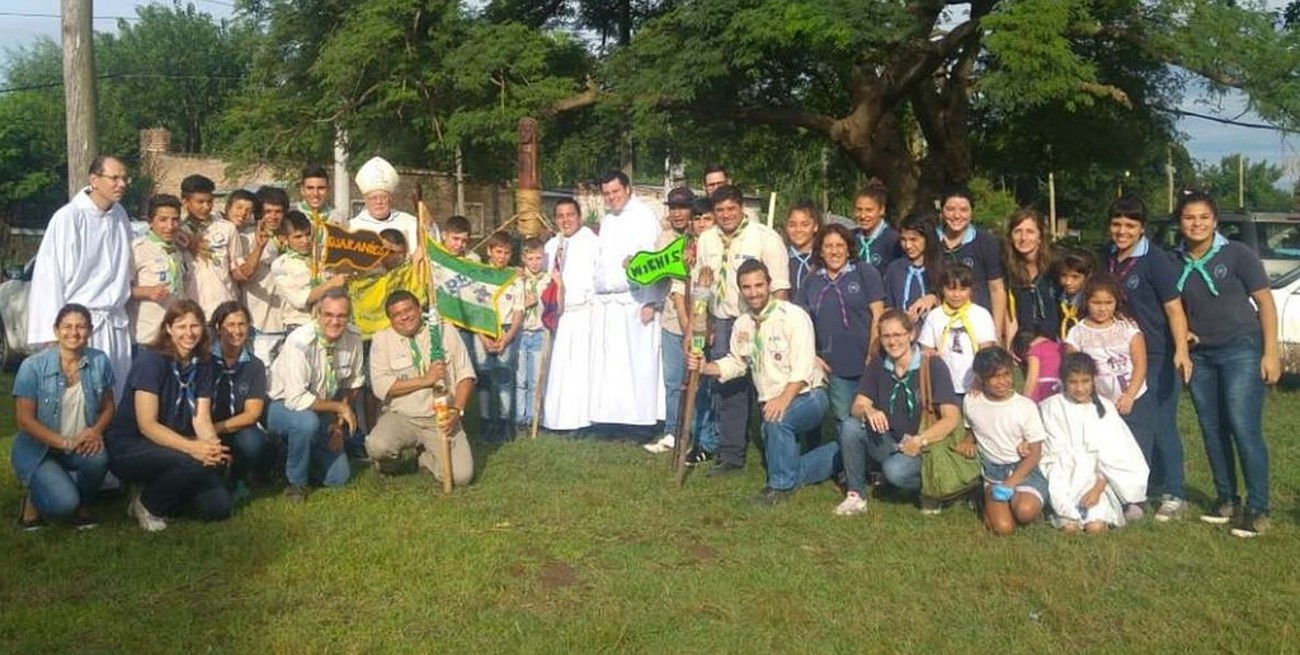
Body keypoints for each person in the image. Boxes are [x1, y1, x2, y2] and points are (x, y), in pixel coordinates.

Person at [686, 260, 837, 505]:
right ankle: (836, 455)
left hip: (808, 396)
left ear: (768, 285)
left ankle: (780, 487)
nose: (754, 292)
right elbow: (737, 363)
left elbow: (803, 370)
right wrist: (706, 367)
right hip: (772, 400)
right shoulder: (743, 324)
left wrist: (782, 401)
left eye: (759, 285)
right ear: (740, 289)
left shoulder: (793, 317)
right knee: (776, 438)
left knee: (777, 421)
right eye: (747, 287)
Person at [1173, 191, 1277, 538]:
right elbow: (1174, 307)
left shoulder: (1237, 254)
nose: (1197, 224)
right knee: (1211, 427)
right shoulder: (1175, 261)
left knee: (1242, 425)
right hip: (1202, 354)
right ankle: (1226, 499)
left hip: (1241, 348)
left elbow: (1264, 302)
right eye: (1189, 217)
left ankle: (1258, 507)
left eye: (1204, 217)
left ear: (1215, 221)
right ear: (1180, 223)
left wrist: (1271, 352)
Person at [1102, 196, 1192, 522]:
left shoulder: (1156, 260)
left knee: (1160, 422)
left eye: (1129, 225)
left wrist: (1181, 350)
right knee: (1130, 422)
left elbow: (1173, 308)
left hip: (1156, 352)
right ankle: (1145, 485)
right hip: (1119, 354)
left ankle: (1175, 492)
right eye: (1116, 224)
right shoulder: (1107, 257)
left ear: (1142, 229)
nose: (1122, 231)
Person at [105, 300, 232, 532]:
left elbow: (201, 418)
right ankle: (146, 505)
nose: (189, 333)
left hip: (175, 444)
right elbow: (147, 425)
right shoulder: (151, 360)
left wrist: (212, 446)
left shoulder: (204, 362)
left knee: (218, 506)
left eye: (195, 326)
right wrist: (193, 448)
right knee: (192, 459)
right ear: (168, 329)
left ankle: (158, 488)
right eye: (181, 326)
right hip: (132, 445)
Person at [693, 184, 791, 475]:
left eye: (731, 209)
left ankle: (777, 448)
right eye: (719, 210)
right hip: (725, 321)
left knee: (770, 383)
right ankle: (732, 454)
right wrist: (705, 323)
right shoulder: (707, 239)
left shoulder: (764, 237)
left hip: (758, 318)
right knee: (729, 387)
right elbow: (704, 284)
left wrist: (776, 324)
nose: (725, 215)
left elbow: (781, 287)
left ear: (741, 207)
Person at [27, 155, 135, 400]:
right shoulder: (69, 217)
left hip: (114, 323)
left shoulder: (120, 215)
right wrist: (53, 335)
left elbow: (129, 265)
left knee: (115, 398)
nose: (122, 184)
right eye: (114, 178)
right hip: (82, 324)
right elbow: (50, 276)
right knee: (80, 398)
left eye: (125, 178)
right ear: (94, 179)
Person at [838, 309, 960, 516]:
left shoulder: (932, 365)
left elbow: (951, 419)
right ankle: (856, 495)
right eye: (886, 336)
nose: (892, 342)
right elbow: (857, 406)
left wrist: (920, 440)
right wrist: (869, 409)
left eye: (898, 335)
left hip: (925, 445)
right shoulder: (878, 364)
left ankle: (931, 490)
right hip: (891, 441)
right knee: (850, 426)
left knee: (896, 472)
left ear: (911, 335)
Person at [12, 304, 115, 530]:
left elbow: (108, 406)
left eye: (81, 326)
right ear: (56, 330)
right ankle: (33, 500)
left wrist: (96, 431)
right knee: (63, 505)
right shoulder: (32, 366)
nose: (74, 332)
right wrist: (65, 443)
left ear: (90, 330)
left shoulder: (99, 361)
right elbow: (24, 420)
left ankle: (85, 507)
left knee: (99, 459)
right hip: (40, 449)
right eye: (67, 326)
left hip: (81, 442)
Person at [266, 288, 364, 502]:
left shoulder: (354, 337)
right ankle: (296, 483)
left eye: (341, 316)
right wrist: (340, 408)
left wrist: (338, 427)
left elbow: (352, 385)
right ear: (317, 315)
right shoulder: (299, 342)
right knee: (306, 423)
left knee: (339, 478)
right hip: (281, 407)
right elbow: (296, 399)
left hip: (321, 407)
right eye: (328, 315)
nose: (335, 322)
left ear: (349, 317)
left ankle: (286, 456)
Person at [367, 291, 474, 486]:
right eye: (397, 314)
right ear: (390, 319)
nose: (405, 316)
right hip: (402, 416)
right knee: (377, 446)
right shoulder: (381, 340)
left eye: (409, 310)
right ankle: (389, 465)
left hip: (439, 418)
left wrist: (457, 410)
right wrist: (426, 380)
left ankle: (425, 459)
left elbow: (466, 375)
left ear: (419, 309)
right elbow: (381, 387)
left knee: (461, 476)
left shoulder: (443, 331)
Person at [1039, 353, 1150, 533]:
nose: (1080, 388)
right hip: (1063, 478)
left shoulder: (1105, 408)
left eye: (1085, 381)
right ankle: (1061, 514)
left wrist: (1098, 489)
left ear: (1093, 380)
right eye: (1073, 382)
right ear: (1063, 381)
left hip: (1097, 480)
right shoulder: (1051, 407)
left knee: (1095, 528)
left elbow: (1114, 453)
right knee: (1069, 528)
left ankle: (1106, 512)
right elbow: (1052, 454)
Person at [588, 170, 664, 428]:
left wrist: (651, 300)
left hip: (635, 300)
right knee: (612, 366)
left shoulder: (644, 217)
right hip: (609, 303)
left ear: (628, 189)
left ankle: (641, 421)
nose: (611, 198)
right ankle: (612, 418)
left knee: (638, 364)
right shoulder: (608, 219)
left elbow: (653, 260)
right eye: (607, 193)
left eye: (615, 192)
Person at [795, 223, 885, 438]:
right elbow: (798, 323)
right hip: (834, 364)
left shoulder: (864, 272)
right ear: (820, 251)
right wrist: (812, 357)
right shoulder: (812, 280)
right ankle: (850, 467)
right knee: (844, 420)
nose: (834, 251)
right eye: (828, 246)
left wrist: (873, 352)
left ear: (848, 248)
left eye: (839, 245)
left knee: (873, 415)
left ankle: (875, 466)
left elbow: (878, 314)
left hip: (866, 358)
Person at [1064, 274, 1152, 492]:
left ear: (1116, 303)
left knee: (1136, 448)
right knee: (1106, 450)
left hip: (1134, 399)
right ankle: (1108, 492)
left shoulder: (1129, 330)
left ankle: (1136, 494)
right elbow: (1074, 369)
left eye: (1108, 303)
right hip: (1098, 403)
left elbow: (1140, 364)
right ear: (1087, 302)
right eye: (1096, 303)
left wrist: (1130, 395)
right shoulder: (1077, 333)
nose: (1102, 309)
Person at [956, 347, 1047, 536]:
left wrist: (1011, 483)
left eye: (1006, 374)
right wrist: (968, 441)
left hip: (1023, 470)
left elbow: (1036, 452)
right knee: (1003, 529)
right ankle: (987, 501)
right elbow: (974, 427)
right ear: (981, 378)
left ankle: (1022, 502)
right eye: (994, 377)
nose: (1002, 382)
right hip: (993, 472)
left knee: (1025, 511)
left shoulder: (1025, 406)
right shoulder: (972, 401)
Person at [542, 199, 599, 431]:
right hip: (559, 316)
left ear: (579, 216)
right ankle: (557, 418)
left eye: (570, 214)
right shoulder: (551, 246)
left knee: (580, 370)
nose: (566, 220)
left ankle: (583, 420)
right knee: (559, 370)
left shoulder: (592, 242)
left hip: (584, 314)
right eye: (560, 216)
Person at [646, 187, 695, 453]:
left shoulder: (702, 236)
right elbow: (654, 270)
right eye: (673, 208)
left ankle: (695, 434)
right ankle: (671, 432)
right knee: (673, 379)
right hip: (671, 319)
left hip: (699, 320)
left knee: (699, 381)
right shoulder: (664, 237)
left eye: (683, 207)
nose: (677, 213)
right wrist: (635, 266)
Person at [208, 302, 268, 502]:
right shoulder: (203, 361)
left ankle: (239, 477)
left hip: (236, 427)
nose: (236, 330)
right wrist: (207, 432)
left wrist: (217, 428)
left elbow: (253, 413)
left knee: (254, 443)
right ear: (218, 328)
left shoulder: (255, 365)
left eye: (242, 324)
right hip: (203, 428)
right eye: (230, 324)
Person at [936, 187, 1006, 340]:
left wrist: (997, 331)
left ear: (972, 212)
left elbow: (996, 289)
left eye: (963, 210)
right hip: (940, 323)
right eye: (950, 209)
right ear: (941, 211)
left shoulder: (985, 241)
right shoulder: (931, 240)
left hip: (977, 324)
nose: (956, 215)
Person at [918, 265, 997, 394]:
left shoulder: (981, 314)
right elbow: (926, 349)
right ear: (942, 289)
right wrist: (931, 354)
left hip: (975, 383)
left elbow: (986, 352)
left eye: (963, 289)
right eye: (950, 289)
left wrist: (979, 380)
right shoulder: (935, 316)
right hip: (944, 384)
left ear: (971, 290)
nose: (956, 295)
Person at [476, 232, 524, 442]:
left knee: (504, 376)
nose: (502, 257)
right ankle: (485, 420)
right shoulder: (480, 276)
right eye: (498, 251)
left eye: (506, 252)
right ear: (489, 251)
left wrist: (508, 337)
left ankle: (504, 420)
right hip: (484, 328)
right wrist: (482, 336)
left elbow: (518, 310)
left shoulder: (514, 278)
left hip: (505, 329)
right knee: (484, 376)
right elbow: (474, 308)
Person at [180, 174, 245, 318]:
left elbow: (237, 268)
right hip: (192, 312)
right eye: (200, 202)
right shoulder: (177, 232)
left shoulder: (227, 228)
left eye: (210, 202)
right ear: (185, 202)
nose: (206, 207)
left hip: (225, 309)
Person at [271, 211, 349, 330]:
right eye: (298, 237)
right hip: (299, 325)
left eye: (308, 234)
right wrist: (331, 284)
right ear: (284, 238)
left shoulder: (324, 256)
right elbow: (299, 300)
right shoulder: (281, 265)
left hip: (328, 323)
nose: (305, 241)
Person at [130, 194, 190, 347]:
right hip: (148, 337)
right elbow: (117, 290)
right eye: (162, 220)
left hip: (176, 337)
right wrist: (145, 291)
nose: (170, 226)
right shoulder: (138, 249)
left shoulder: (177, 249)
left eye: (175, 220)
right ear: (150, 222)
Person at [1003, 208, 1060, 349]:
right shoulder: (1007, 268)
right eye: (1017, 231)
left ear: (1040, 236)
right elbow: (1010, 313)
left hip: (1055, 338)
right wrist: (1010, 346)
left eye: (1030, 232)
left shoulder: (1057, 265)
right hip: (1025, 340)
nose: (1023, 238)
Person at [238, 186, 290, 341]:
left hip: (287, 321)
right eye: (268, 212)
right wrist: (259, 248)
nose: (273, 217)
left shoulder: (292, 237)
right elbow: (244, 273)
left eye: (278, 211)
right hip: (258, 323)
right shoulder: (246, 237)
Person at [349, 157, 420, 257]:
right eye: (373, 198)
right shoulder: (352, 228)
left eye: (384, 197)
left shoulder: (410, 222)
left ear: (391, 198)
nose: (379, 202)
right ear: (365, 199)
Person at [514, 238, 549, 431]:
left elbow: (551, 305)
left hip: (538, 333)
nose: (535, 262)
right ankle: (520, 416)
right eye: (531, 258)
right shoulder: (518, 279)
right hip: (521, 333)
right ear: (523, 259)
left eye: (538, 258)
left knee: (536, 379)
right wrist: (526, 303)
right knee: (521, 378)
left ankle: (534, 417)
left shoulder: (547, 280)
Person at [883, 212, 942, 321]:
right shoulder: (895, 268)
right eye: (903, 240)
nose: (908, 246)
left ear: (927, 239)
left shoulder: (942, 267)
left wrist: (934, 299)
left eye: (913, 240)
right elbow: (888, 305)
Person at [852, 182, 900, 275]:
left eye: (869, 210)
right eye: (859, 209)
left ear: (881, 210)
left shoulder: (893, 240)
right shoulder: (850, 238)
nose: (863, 215)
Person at [1011, 327, 1062, 403]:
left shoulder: (1034, 351)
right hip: (1059, 390)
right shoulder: (1058, 346)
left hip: (1043, 392)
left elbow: (1032, 379)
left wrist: (1024, 403)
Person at [785, 199, 821, 298]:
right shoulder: (782, 258)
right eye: (792, 225)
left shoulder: (823, 259)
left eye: (805, 225)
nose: (798, 230)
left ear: (815, 227)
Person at [1054, 249, 1092, 340]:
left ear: (1088, 277)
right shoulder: (1056, 299)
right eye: (1064, 275)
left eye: (1075, 277)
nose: (1068, 282)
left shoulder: (1090, 302)